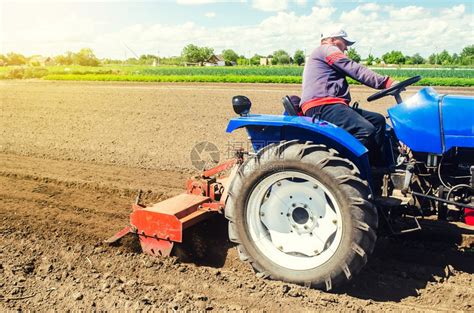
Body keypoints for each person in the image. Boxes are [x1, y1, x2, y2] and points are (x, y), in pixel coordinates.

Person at [300, 29, 398, 166]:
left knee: (378, 121)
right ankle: (346, 168)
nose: (346, 47)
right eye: (345, 42)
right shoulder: (326, 49)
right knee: (365, 130)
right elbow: (354, 69)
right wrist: (386, 82)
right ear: (333, 39)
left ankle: (378, 168)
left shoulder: (322, 52)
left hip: (330, 104)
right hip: (322, 105)